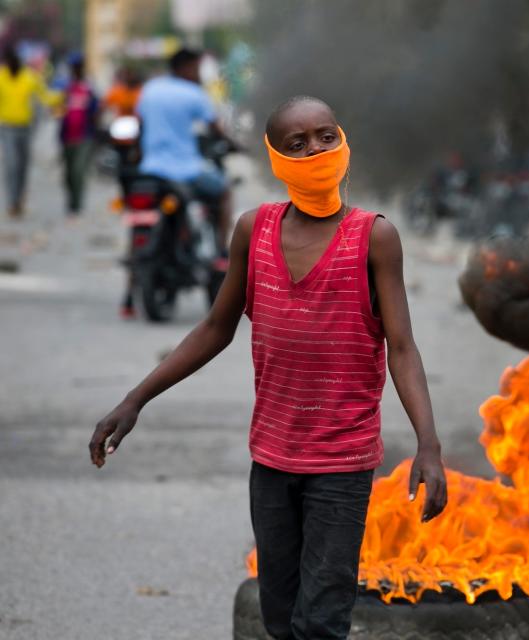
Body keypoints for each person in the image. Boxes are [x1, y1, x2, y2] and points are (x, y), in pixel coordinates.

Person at [89, 96, 448, 639]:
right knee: (278, 618)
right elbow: (215, 329)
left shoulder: (374, 237)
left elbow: (402, 347)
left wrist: (429, 443)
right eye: (296, 143)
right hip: (273, 460)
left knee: (322, 622)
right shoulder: (253, 231)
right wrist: (134, 400)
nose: (315, 150)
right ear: (276, 159)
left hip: (341, 463)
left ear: (343, 141)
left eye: (325, 135)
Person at [136, 48, 234, 246]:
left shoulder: (150, 89)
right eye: (196, 69)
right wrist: (235, 144)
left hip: (150, 168)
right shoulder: (193, 93)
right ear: (185, 68)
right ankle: (222, 250)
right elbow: (216, 128)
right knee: (224, 191)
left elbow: (140, 123)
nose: (199, 75)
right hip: (184, 169)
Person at [0, 45, 60, 217]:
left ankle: (19, 199)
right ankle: (12, 201)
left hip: (25, 128)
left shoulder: (29, 77)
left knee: (22, 166)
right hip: (6, 127)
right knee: (11, 165)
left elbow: (45, 95)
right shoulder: (1, 78)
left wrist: (61, 97)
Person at [59, 53, 99, 215]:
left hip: (84, 136)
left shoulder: (89, 88)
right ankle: (70, 201)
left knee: (78, 171)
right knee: (68, 174)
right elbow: (58, 109)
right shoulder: (65, 87)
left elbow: (96, 110)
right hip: (67, 136)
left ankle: (78, 204)